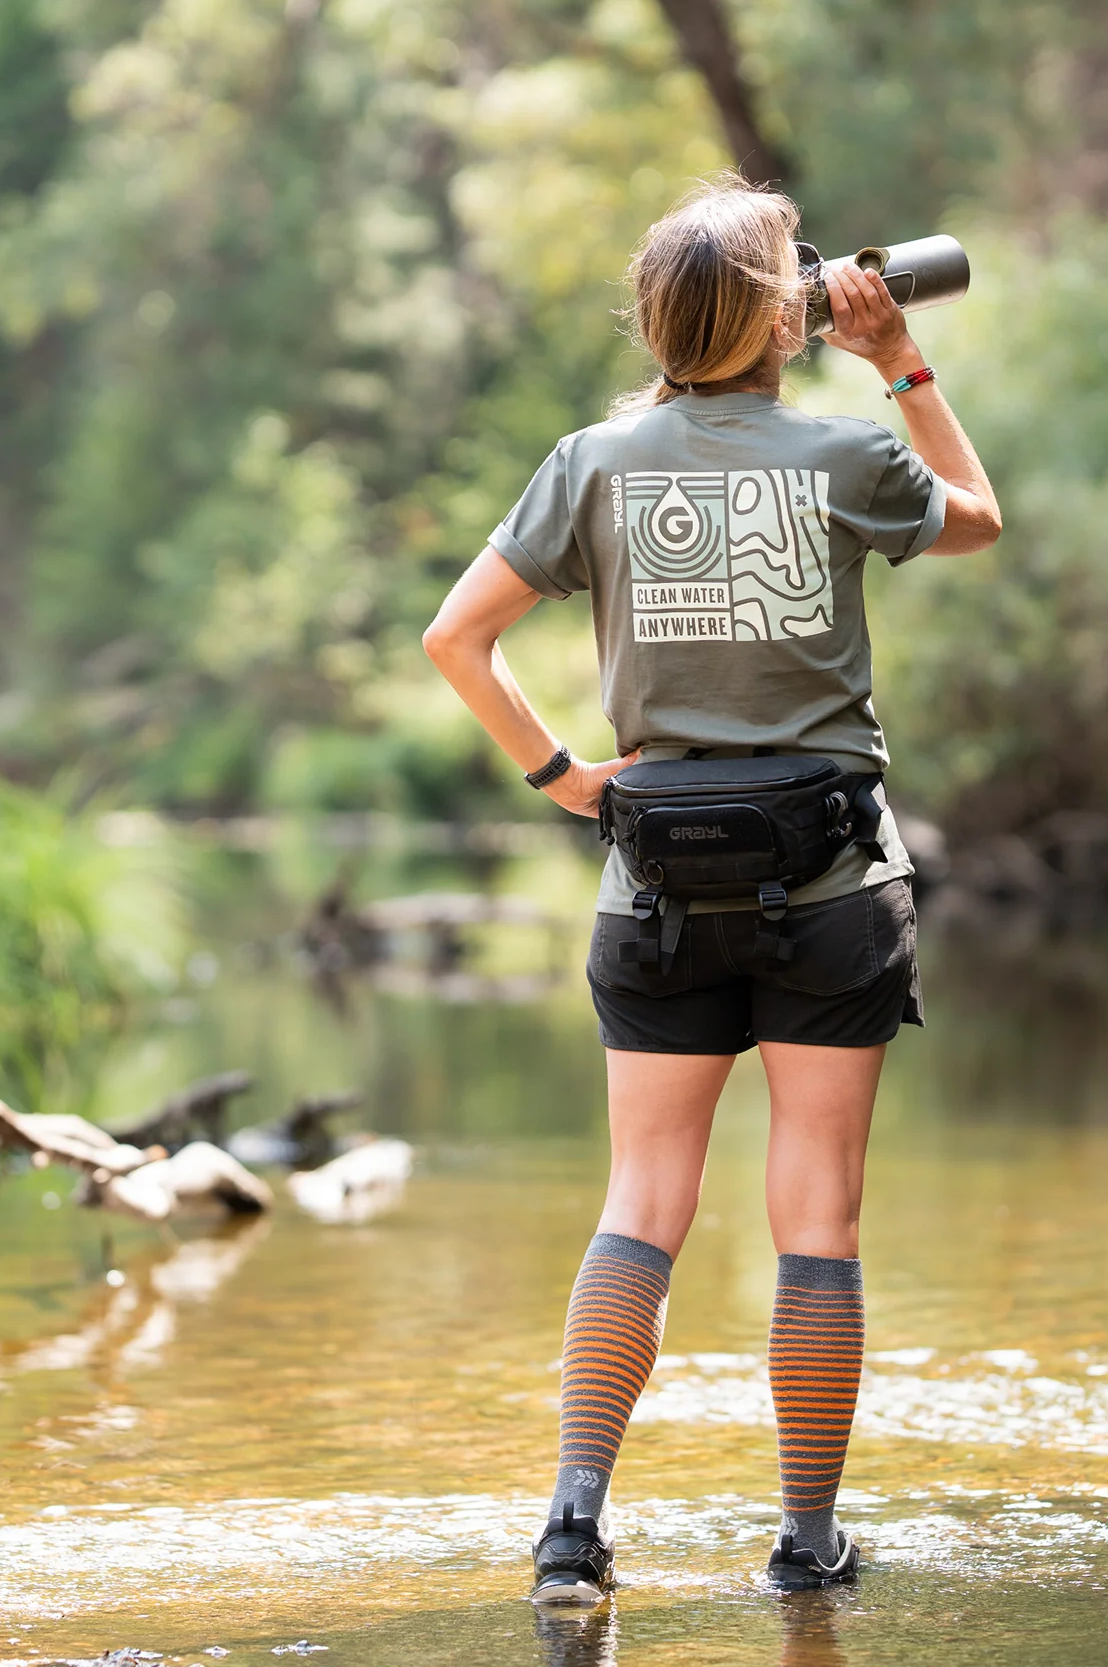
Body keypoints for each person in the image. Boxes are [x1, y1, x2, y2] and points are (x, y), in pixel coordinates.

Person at [423, 175, 1001, 1603]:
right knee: (819, 1219)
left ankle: (572, 1530)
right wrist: (900, 361)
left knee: (642, 1201)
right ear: (784, 318)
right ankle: (804, 1545)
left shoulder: (591, 463)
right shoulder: (845, 454)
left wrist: (565, 780)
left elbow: (455, 639)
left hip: (655, 886)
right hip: (833, 887)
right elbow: (978, 519)